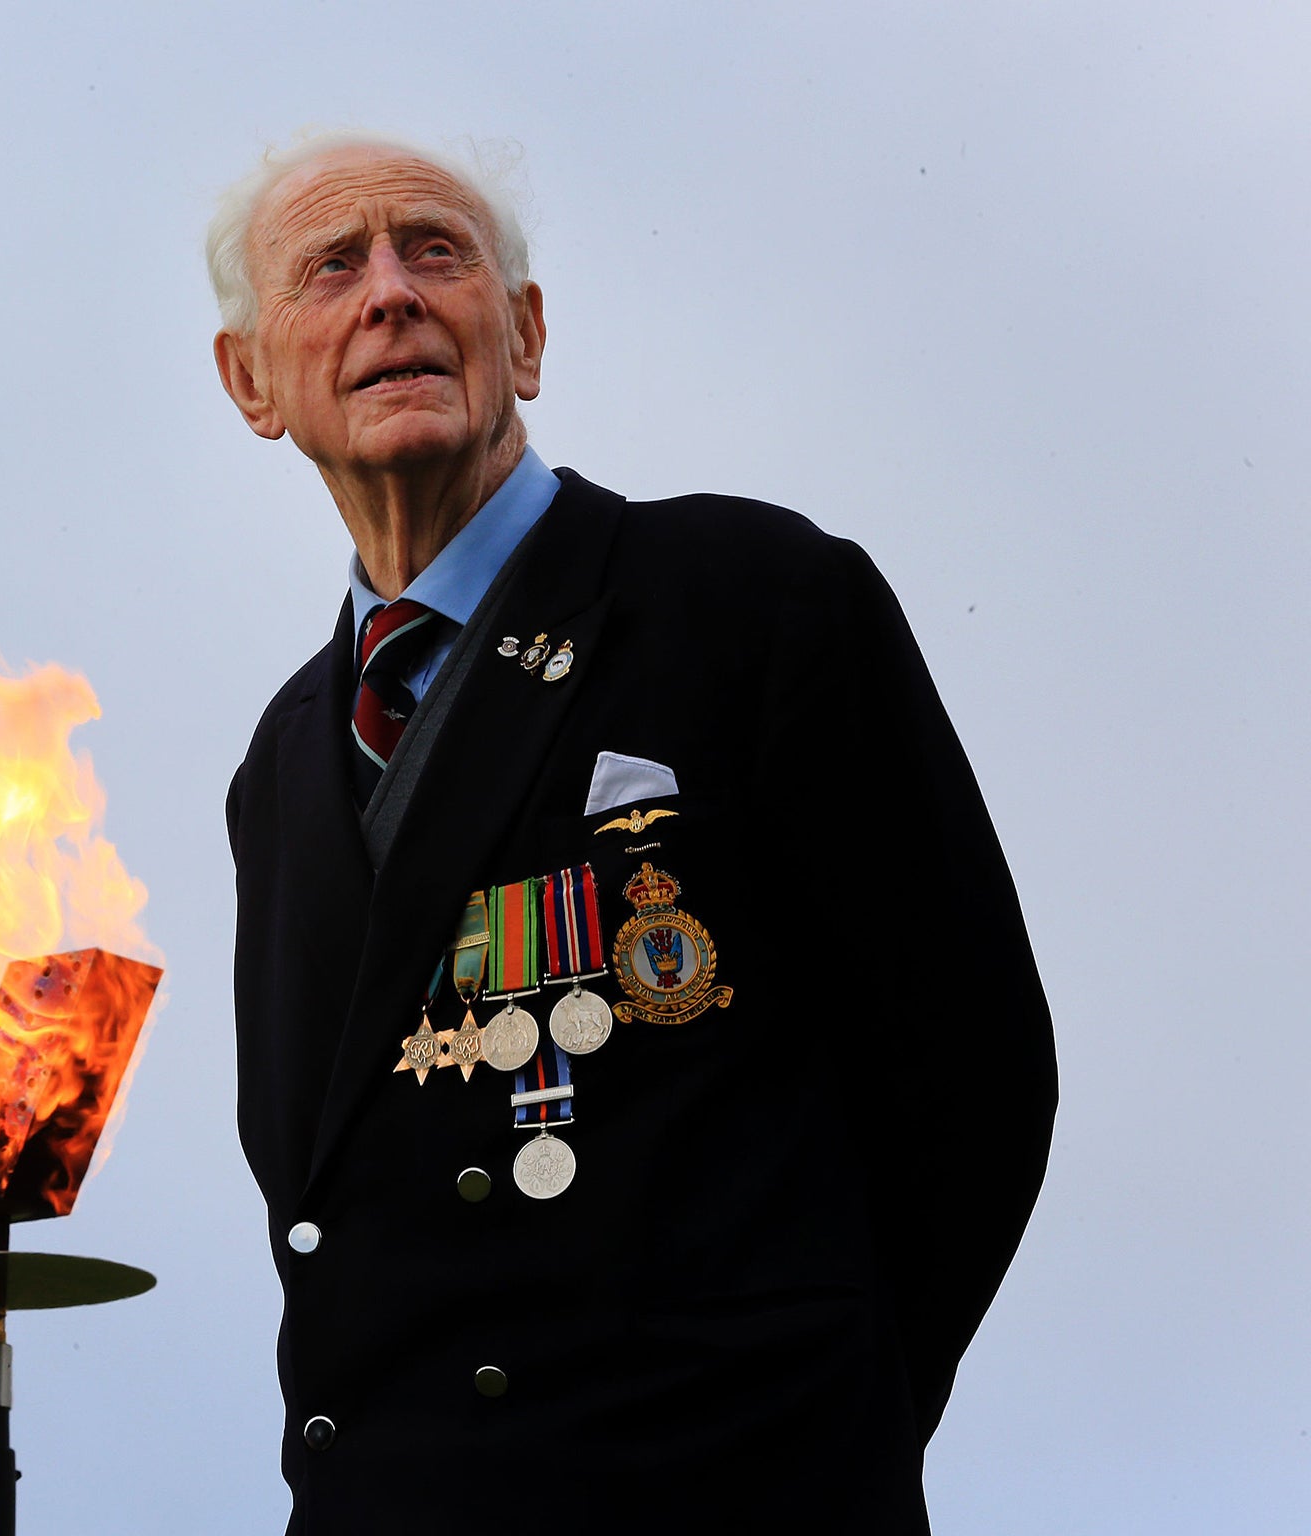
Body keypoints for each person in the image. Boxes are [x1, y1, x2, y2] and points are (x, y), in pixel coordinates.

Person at [211, 130, 1057, 1535]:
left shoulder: (749, 600)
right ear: (251, 381)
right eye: (330, 268)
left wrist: (803, 1424)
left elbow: (974, 1079)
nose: (390, 295)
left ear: (525, 336)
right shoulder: (286, 757)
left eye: (437, 250)